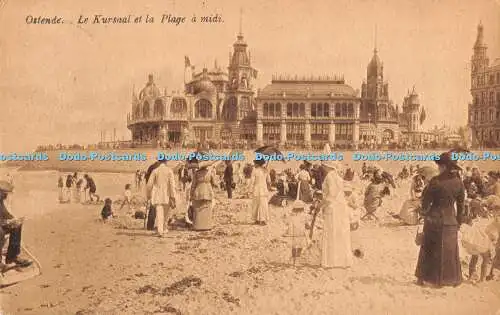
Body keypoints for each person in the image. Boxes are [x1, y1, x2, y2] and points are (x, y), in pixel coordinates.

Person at [415, 152, 465, 287]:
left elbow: (426, 202)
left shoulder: (435, 181)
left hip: (434, 219)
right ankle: (452, 279)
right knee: (450, 251)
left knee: (428, 248)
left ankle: (424, 279)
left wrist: (423, 212)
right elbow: (461, 205)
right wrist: (458, 222)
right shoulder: (459, 183)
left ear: (443, 166)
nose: (437, 168)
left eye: (439, 165)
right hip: (451, 221)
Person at [319, 160, 352, 268]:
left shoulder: (329, 176)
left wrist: (322, 204)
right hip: (341, 207)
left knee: (331, 233)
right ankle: (343, 261)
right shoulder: (336, 175)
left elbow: (331, 194)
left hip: (333, 208)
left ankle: (331, 262)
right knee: (341, 233)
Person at [0, 181, 32, 268]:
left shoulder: (0, 201)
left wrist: (14, 220)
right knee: (1, 232)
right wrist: (6, 222)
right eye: (4, 194)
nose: (6, 196)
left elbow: (5, 214)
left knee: (16, 226)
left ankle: (12, 257)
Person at [146, 159, 176, 237]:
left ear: (159, 162)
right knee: (166, 214)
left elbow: (149, 185)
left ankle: (160, 230)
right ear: (166, 162)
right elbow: (172, 185)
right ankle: (164, 228)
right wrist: (173, 196)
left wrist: (148, 195)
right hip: (167, 195)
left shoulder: (155, 171)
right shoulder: (169, 171)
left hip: (157, 195)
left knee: (159, 213)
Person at [190, 160, 218, 230]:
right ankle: (207, 225)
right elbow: (214, 183)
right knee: (207, 208)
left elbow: (193, 185)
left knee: (198, 208)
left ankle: (198, 226)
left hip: (198, 191)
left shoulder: (196, 173)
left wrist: (191, 193)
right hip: (208, 191)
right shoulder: (209, 172)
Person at [249, 159, 271, 225]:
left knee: (255, 206)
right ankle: (263, 220)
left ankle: (255, 219)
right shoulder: (265, 170)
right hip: (264, 190)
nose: (254, 164)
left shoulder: (254, 170)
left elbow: (252, 181)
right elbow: (269, 181)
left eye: (255, 163)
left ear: (258, 164)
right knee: (263, 205)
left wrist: (250, 190)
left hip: (256, 190)